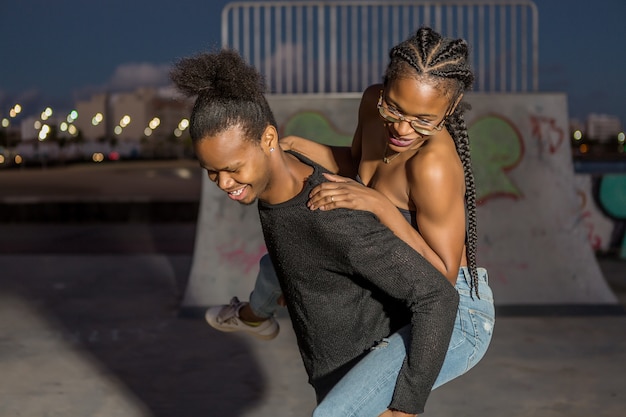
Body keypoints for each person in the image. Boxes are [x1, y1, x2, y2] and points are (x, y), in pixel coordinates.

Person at [206, 25, 495, 412]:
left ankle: (255, 314)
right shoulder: (372, 104)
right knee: (291, 244)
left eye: (423, 121)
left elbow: (441, 280)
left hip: (456, 314)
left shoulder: (434, 167)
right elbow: (360, 166)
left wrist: (378, 206)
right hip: (400, 287)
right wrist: (294, 149)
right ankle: (256, 316)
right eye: (394, 108)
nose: (402, 129)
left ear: (451, 109)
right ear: (384, 88)